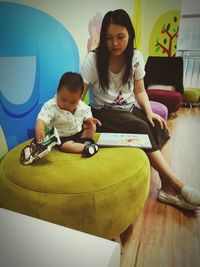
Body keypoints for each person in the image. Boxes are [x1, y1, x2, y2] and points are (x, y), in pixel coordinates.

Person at [81, 9, 200, 210]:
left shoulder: (135, 57)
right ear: (103, 37)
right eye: (109, 38)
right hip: (102, 113)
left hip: (127, 109)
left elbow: (140, 91)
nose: (115, 43)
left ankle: (166, 190)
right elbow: (79, 95)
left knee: (157, 125)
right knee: (139, 127)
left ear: (130, 35)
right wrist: (84, 118)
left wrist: (149, 111)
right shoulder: (92, 60)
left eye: (120, 37)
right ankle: (176, 185)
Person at [35, 72, 101, 157]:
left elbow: (86, 112)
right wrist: (40, 129)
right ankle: (85, 148)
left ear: (80, 97)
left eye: (73, 102)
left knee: (91, 126)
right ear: (57, 91)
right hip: (63, 137)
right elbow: (41, 118)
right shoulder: (51, 106)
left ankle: (83, 140)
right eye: (63, 100)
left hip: (79, 133)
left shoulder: (81, 105)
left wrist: (89, 119)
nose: (67, 104)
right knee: (66, 147)